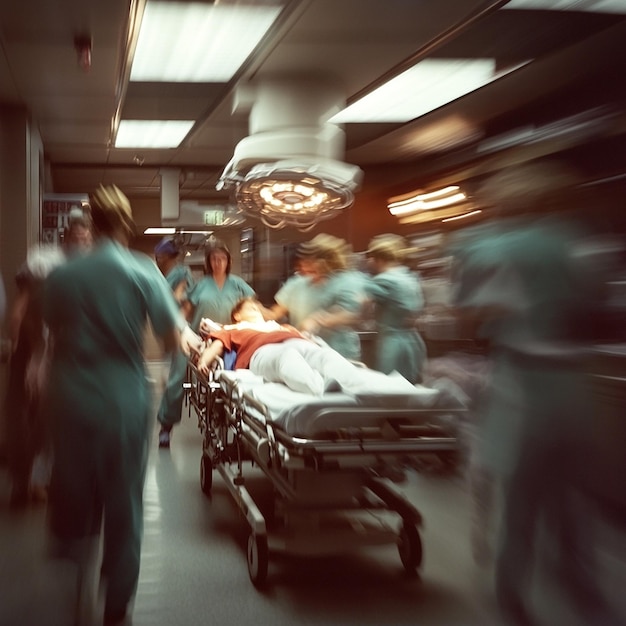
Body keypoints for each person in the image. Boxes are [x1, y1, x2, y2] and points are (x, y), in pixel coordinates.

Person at [451, 160, 618, 626]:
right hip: (576, 381)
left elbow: (471, 316)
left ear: (510, 201)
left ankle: (512, 593)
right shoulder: (581, 241)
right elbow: (598, 304)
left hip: (521, 383)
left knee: (522, 495)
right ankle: (583, 587)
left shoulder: (489, 247)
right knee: (573, 498)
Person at [41, 184, 201, 626]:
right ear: (127, 223)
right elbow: (171, 332)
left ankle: (78, 575)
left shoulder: (64, 275)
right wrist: (194, 343)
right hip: (122, 399)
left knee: (73, 487)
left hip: (71, 396)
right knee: (124, 499)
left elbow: (51, 326)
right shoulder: (143, 270)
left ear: (91, 222)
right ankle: (116, 605)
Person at [197, 297, 422, 397]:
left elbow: (307, 339)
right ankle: (320, 390)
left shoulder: (278, 325)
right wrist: (203, 361)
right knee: (287, 358)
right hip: (262, 353)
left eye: (259, 307)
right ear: (237, 314)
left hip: (297, 341)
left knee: (325, 357)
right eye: (251, 307)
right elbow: (216, 345)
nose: (258, 309)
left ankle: (378, 388)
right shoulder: (233, 328)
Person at [156, 237, 253, 447]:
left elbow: (253, 309)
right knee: (177, 377)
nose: (218, 263)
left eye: (222, 259)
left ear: (228, 261)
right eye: (214, 259)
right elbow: (183, 313)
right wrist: (183, 334)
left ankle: (243, 427)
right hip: (198, 340)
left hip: (228, 338)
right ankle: (166, 425)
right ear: (208, 262)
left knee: (241, 376)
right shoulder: (201, 286)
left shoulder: (238, 285)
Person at [4, 245, 65, 507]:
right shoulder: (39, 286)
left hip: (44, 353)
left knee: (41, 418)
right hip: (32, 355)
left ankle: (32, 481)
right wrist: (33, 356)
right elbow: (20, 317)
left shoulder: (53, 286)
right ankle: (26, 482)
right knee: (31, 417)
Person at [262, 233, 365, 361]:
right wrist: (253, 308)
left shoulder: (346, 281)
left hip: (339, 353)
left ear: (326, 262)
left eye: (310, 261)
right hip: (306, 351)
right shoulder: (296, 284)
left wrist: (318, 320)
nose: (304, 265)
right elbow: (274, 314)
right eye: (304, 260)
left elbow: (352, 314)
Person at [363, 233, 427, 382]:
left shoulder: (383, 280)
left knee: (392, 388)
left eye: (369, 258)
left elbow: (361, 308)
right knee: (412, 386)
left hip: (393, 345)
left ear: (377, 259)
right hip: (413, 341)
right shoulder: (409, 277)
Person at [154, 236, 194, 305]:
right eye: (157, 257)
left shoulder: (183, 272)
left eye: (161, 257)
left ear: (169, 256)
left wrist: (178, 294)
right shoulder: (157, 275)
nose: (158, 260)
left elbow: (187, 298)